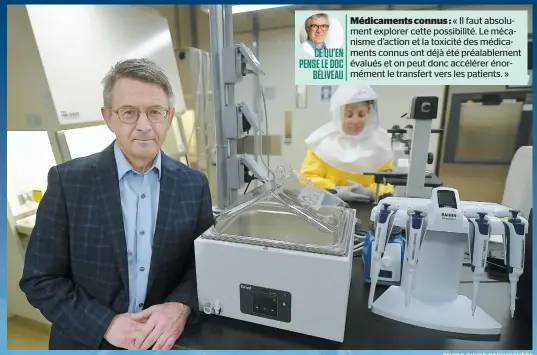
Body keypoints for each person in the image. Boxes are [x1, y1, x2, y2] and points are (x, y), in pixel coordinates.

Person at [19, 58, 214, 350]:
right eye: (129, 113)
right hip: (87, 342)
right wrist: (105, 323)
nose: (144, 126)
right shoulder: (68, 182)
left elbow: (204, 264)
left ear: (170, 116)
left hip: (163, 343)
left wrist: (180, 306)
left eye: (155, 112)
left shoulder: (193, 184)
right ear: (108, 117)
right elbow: (40, 279)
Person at [300, 84, 393, 202]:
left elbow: (388, 180)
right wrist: (334, 190)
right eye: (349, 115)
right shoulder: (322, 141)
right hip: (329, 208)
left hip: (369, 208)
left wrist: (373, 192)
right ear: (339, 115)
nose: (355, 121)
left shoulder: (381, 144)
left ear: (369, 114)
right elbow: (307, 176)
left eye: (361, 114)